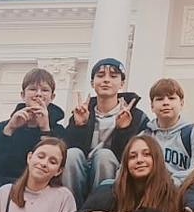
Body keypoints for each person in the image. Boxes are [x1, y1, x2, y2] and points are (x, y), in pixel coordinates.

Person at [0, 68, 64, 211]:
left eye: (45, 90)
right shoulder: (3, 127)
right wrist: (9, 130)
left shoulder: (58, 130)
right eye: (32, 89)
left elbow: (57, 165)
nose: (38, 94)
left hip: (39, 185)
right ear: (23, 95)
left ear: (52, 97)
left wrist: (45, 129)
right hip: (4, 181)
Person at [61, 57, 150, 203]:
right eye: (100, 75)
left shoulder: (136, 116)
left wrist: (123, 130)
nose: (106, 80)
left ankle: (100, 206)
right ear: (92, 83)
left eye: (113, 76)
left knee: (104, 155)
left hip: (113, 174)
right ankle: (71, 208)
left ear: (122, 83)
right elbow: (66, 148)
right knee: (72, 154)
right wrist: (79, 126)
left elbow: (131, 155)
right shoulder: (82, 112)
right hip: (81, 171)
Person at [146, 78, 194, 186]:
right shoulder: (145, 136)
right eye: (160, 99)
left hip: (184, 189)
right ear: (152, 106)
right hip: (150, 189)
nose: (166, 103)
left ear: (181, 103)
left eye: (171, 98)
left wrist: (171, 184)